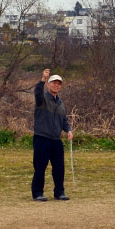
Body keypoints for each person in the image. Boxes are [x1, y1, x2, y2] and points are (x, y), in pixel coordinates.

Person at [31, 68, 73, 201]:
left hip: (56, 140)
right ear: (48, 85)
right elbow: (37, 92)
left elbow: (64, 120)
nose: (56, 85)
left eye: (59, 83)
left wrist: (69, 130)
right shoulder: (42, 99)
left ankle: (59, 192)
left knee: (59, 168)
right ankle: (37, 193)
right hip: (41, 139)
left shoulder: (61, 104)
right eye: (54, 82)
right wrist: (42, 79)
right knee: (40, 168)